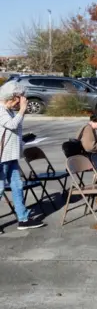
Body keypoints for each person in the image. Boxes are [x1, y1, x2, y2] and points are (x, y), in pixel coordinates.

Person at [0, 82, 44, 230]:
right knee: (0, 189)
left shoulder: (10, 110)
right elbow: (11, 125)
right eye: (20, 98)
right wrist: (23, 110)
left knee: (17, 186)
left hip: (12, 155)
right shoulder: (1, 110)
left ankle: (23, 219)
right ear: (13, 97)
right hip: (2, 157)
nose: (22, 101)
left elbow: (17, 126)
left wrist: (21, 112)